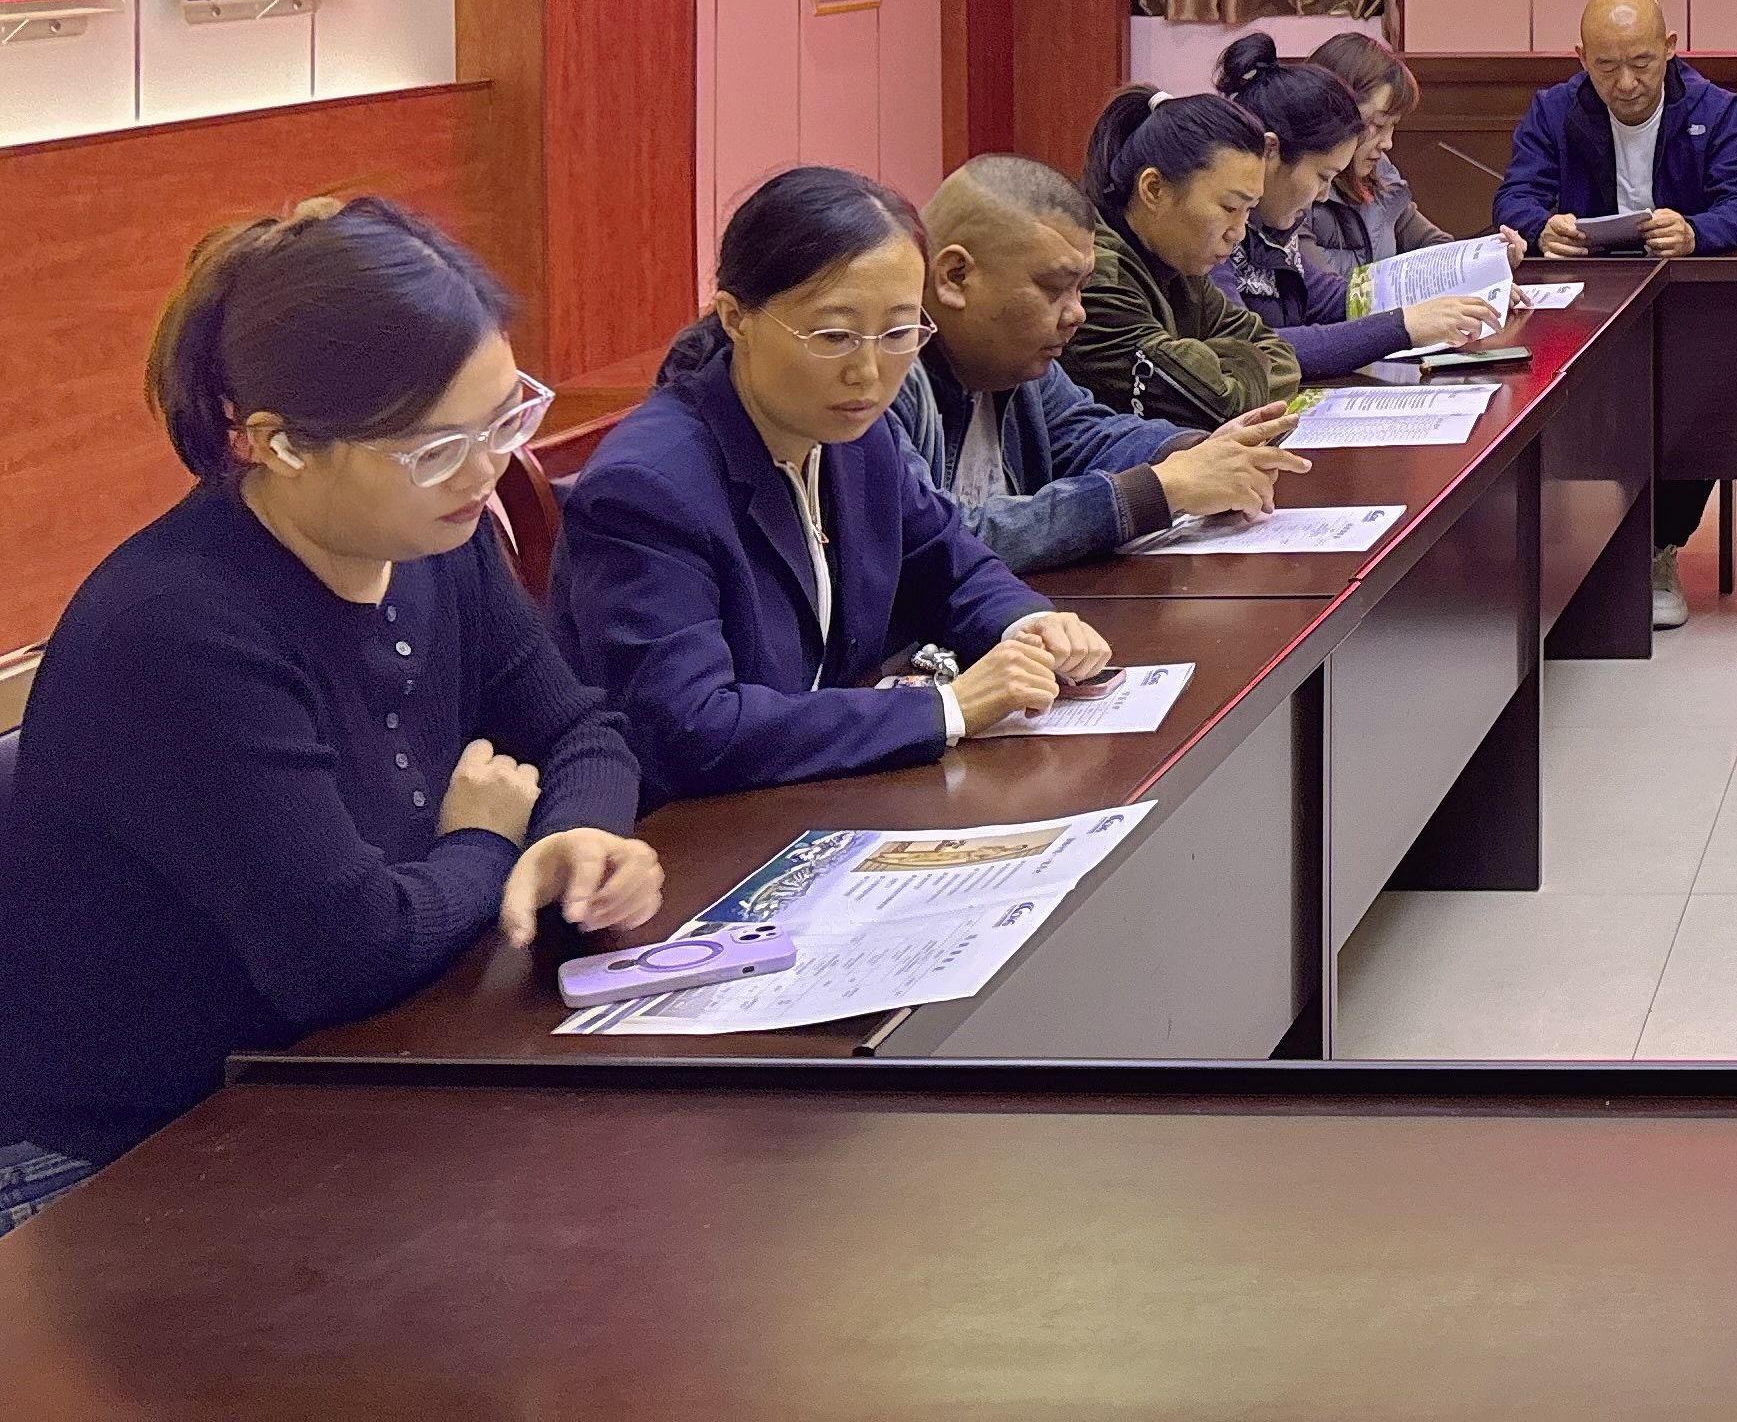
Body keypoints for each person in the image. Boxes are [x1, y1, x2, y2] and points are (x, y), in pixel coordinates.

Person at [0, 201, 664, 1224]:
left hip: (339, 1081)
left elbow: (581, 729)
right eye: (436, 447)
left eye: (504, 419)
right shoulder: (177, 633)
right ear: (278, 443)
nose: (486, 469)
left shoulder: (432, 540)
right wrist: (488, 841)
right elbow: (348, 955)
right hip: (131, 1163)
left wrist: (577, 836)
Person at [556, 166, 1111, 798]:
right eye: (834, 336)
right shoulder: (646, 488)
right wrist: (946, 709)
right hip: (698, 825)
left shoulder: (859, 436)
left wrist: (1024, 624)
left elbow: (947, 561)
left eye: (899, 332)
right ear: (736, 318)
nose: (868, 373)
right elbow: (688, 729)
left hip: (817, 786)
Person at [1495, 0, 1737, 630]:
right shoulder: (1553, 111)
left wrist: (1696, 231)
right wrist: (1542, 228)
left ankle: (1658, 549)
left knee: (1695, 396)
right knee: (1554, 393)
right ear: (1580, 58)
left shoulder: (1713, 108)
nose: (1625, 83)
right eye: (1606, 66)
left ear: (1670, 48)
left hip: (1684, 300)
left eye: (1642, 63)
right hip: (1583, 304)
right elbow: (1513, 199)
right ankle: (1569, 554)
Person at [893, 154, 1311, 573]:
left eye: (1081, 288)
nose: (1077, 313)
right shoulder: (881, 378)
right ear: (956, 276)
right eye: (1054, 288)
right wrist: (1160, 489)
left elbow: (1086, 434)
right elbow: (932, 543)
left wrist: (1198, 453)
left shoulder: (1011, 361)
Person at [1210, 35, 1511, 384]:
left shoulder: (1271, 227)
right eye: (1322, 176)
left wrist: (1470, 288)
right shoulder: (1214, 233)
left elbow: (1334, 301)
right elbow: (1251, 350)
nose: (1322, 195)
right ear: (1271, 152)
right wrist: (1403, 326)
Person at [1058, 87, 1304, 427]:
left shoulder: (1178, 263)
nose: (1238, 232)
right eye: (1230, 207)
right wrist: (1239, 357)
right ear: (1154, 189)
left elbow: (1281, 355)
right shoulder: (1093, 278)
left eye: (1248, 210)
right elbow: (1215, 406)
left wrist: (1210, 361)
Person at [1295, 30, 1505, 269]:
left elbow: (1434, 245)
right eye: (1378, 125)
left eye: (1393, 125)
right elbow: (1322, 288)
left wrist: (1491, 258)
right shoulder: (1296, 186)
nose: (1387, 143)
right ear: (1335, 113)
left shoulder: (1379, 172)